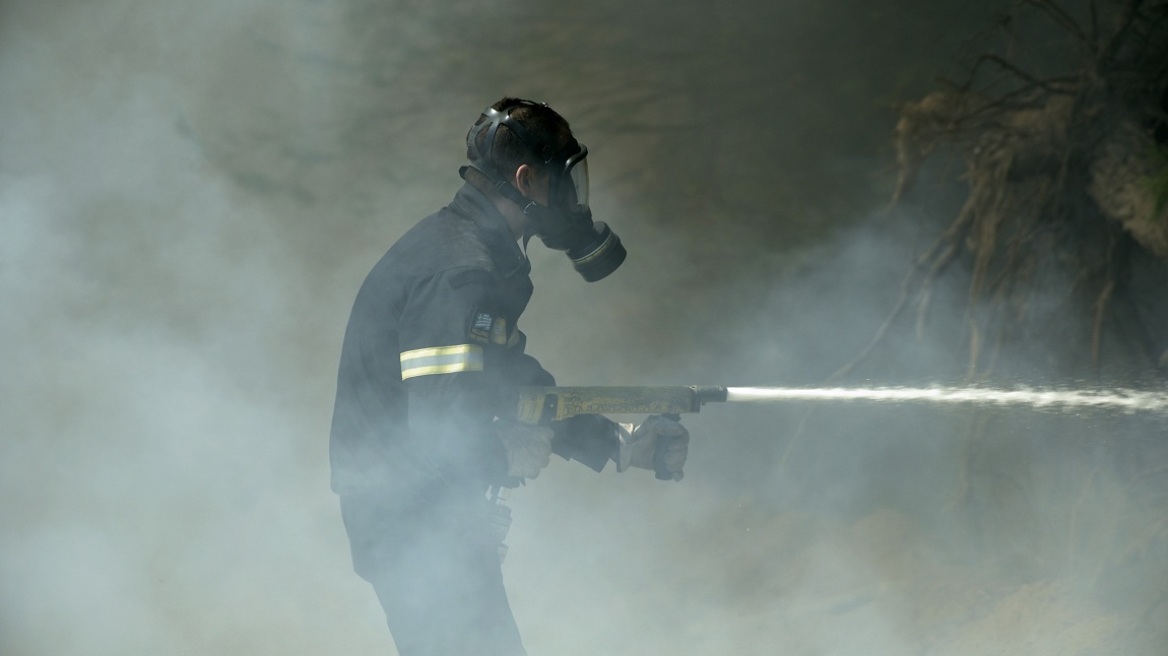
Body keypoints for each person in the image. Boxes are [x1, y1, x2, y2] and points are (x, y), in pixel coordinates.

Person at [328, 97, 691, 656]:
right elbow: (437, 423)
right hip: (409, 517)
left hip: (429, 509)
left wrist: (619, 443)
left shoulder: (476, 253)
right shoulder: (460, 269)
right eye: (564, 181)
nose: (572, 199)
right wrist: (502, 454)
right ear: (526, 179)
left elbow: (508, 384)